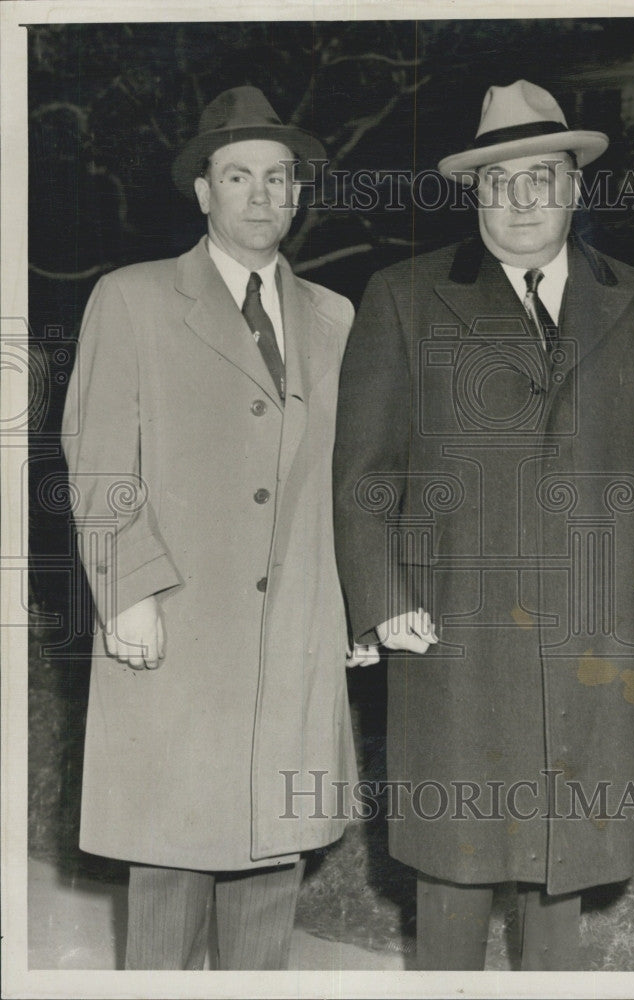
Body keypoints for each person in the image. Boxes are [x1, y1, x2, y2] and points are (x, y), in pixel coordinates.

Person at [333, 79, 634, 970]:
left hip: (588, 624)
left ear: (576, 187)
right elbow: (364, 472)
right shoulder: (402, 296)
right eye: (500, 181)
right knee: (453, 871)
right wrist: (383, 599)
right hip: (452, 633)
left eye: (542, 177)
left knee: (563, 867)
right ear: (475, 195)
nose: (522, 199)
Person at [62, 86, 367, 970]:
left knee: (272, 869)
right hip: (175, 628)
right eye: (239, 176)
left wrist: (356, 609)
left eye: (280, 178)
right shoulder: (133, 298)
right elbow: (100, 460)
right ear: (202, 191)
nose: (262, 195)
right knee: (168, 871)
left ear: (299, 193)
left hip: (291, 638)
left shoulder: (333, 317)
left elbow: (347, 479)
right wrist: (128, 594)